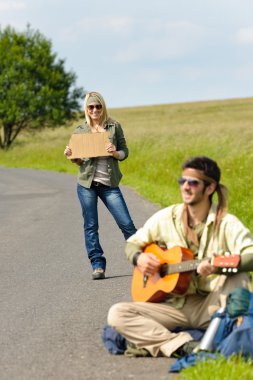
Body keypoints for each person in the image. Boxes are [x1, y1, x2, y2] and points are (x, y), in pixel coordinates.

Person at [107, 156, 253, 357]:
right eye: (182, 181)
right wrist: (139, 258)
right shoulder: (167, 217)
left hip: (211, 305)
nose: (185, 187)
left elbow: (251, 255)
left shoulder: (227, 223)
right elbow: (132, 244)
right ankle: (182, 346)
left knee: (240, 278)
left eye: (193, 182)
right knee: (118, 314)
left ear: (210, 188)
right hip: (172, 306)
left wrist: (218, 266)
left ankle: (183, 341)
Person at [64, 91, 136, 280]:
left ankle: (142, 259)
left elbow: (125, 152)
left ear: (102, 107)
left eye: (98, 106)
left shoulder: (114, 127)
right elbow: (79, 162)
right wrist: (73, 156)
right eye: (91, 107)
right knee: (91, 226)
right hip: (87, 185)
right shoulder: (80, 130)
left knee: (127, 224)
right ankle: (97, 265)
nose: (95, 110)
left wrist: (115, 153)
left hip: (109, 184)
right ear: (86, 109)